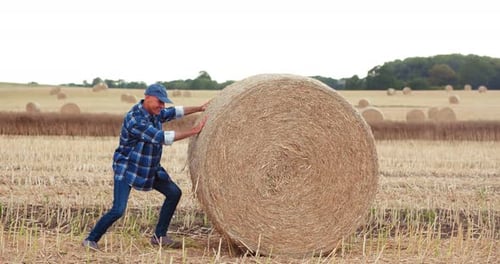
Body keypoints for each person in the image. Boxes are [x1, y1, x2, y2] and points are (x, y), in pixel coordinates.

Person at [82, 83, 208, 250]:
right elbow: (160, 136)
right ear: (147, 98)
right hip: (128, 168)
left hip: (149, 167)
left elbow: (173, 112)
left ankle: (159, 236)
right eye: (159, 102)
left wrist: (200, 107)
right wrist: (193, 131)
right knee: (118, 210)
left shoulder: (154, 112)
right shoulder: (135, 119)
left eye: (164, 103)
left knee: (174, 193)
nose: (162, 106)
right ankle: (91, 239)